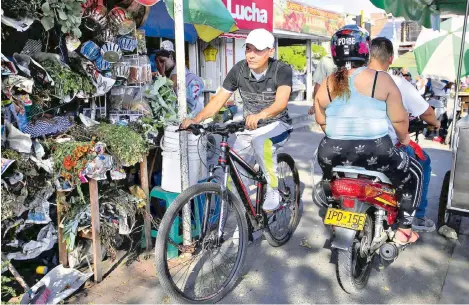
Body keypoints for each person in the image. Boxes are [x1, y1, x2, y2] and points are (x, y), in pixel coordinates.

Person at [315, 25, 424, 245]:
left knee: (329, 177)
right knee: (415, 173)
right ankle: (403, 228)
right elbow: (400, 120)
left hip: (330, 151)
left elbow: (321, 120)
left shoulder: (327, 83)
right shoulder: (381, 80)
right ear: (364, 50)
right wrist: (404, 139)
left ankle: (333, 205)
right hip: (376, 150)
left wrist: (339, 138)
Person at [182, 28, 293, 212]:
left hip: (277, 124)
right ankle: (242, 225)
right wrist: (197, 119)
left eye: (257, 50)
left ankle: (273, 189)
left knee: (261, 141)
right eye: (248, 49)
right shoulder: (239, 70)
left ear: (270, 51)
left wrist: (261, 115)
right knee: (236, 178)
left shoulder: (281, 69)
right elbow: (218, 100)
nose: (251, 55)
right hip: (248, 127)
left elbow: (281, 102)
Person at [369, 37, 441, 232]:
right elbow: (425, 113)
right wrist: (436, 123)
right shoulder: (397, 83)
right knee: (422, 163)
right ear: (391, 59)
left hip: (348, 143)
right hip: (386, 146)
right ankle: (416, 217)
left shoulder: (353, 78)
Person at [155, 49, 205, 116]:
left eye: (162, 61)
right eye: (157, 62)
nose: (160, 65)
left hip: (191, 112)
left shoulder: (178, 70)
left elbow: (169, 88)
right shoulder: (171, 70)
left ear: (171, 57)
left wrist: (162, 73)